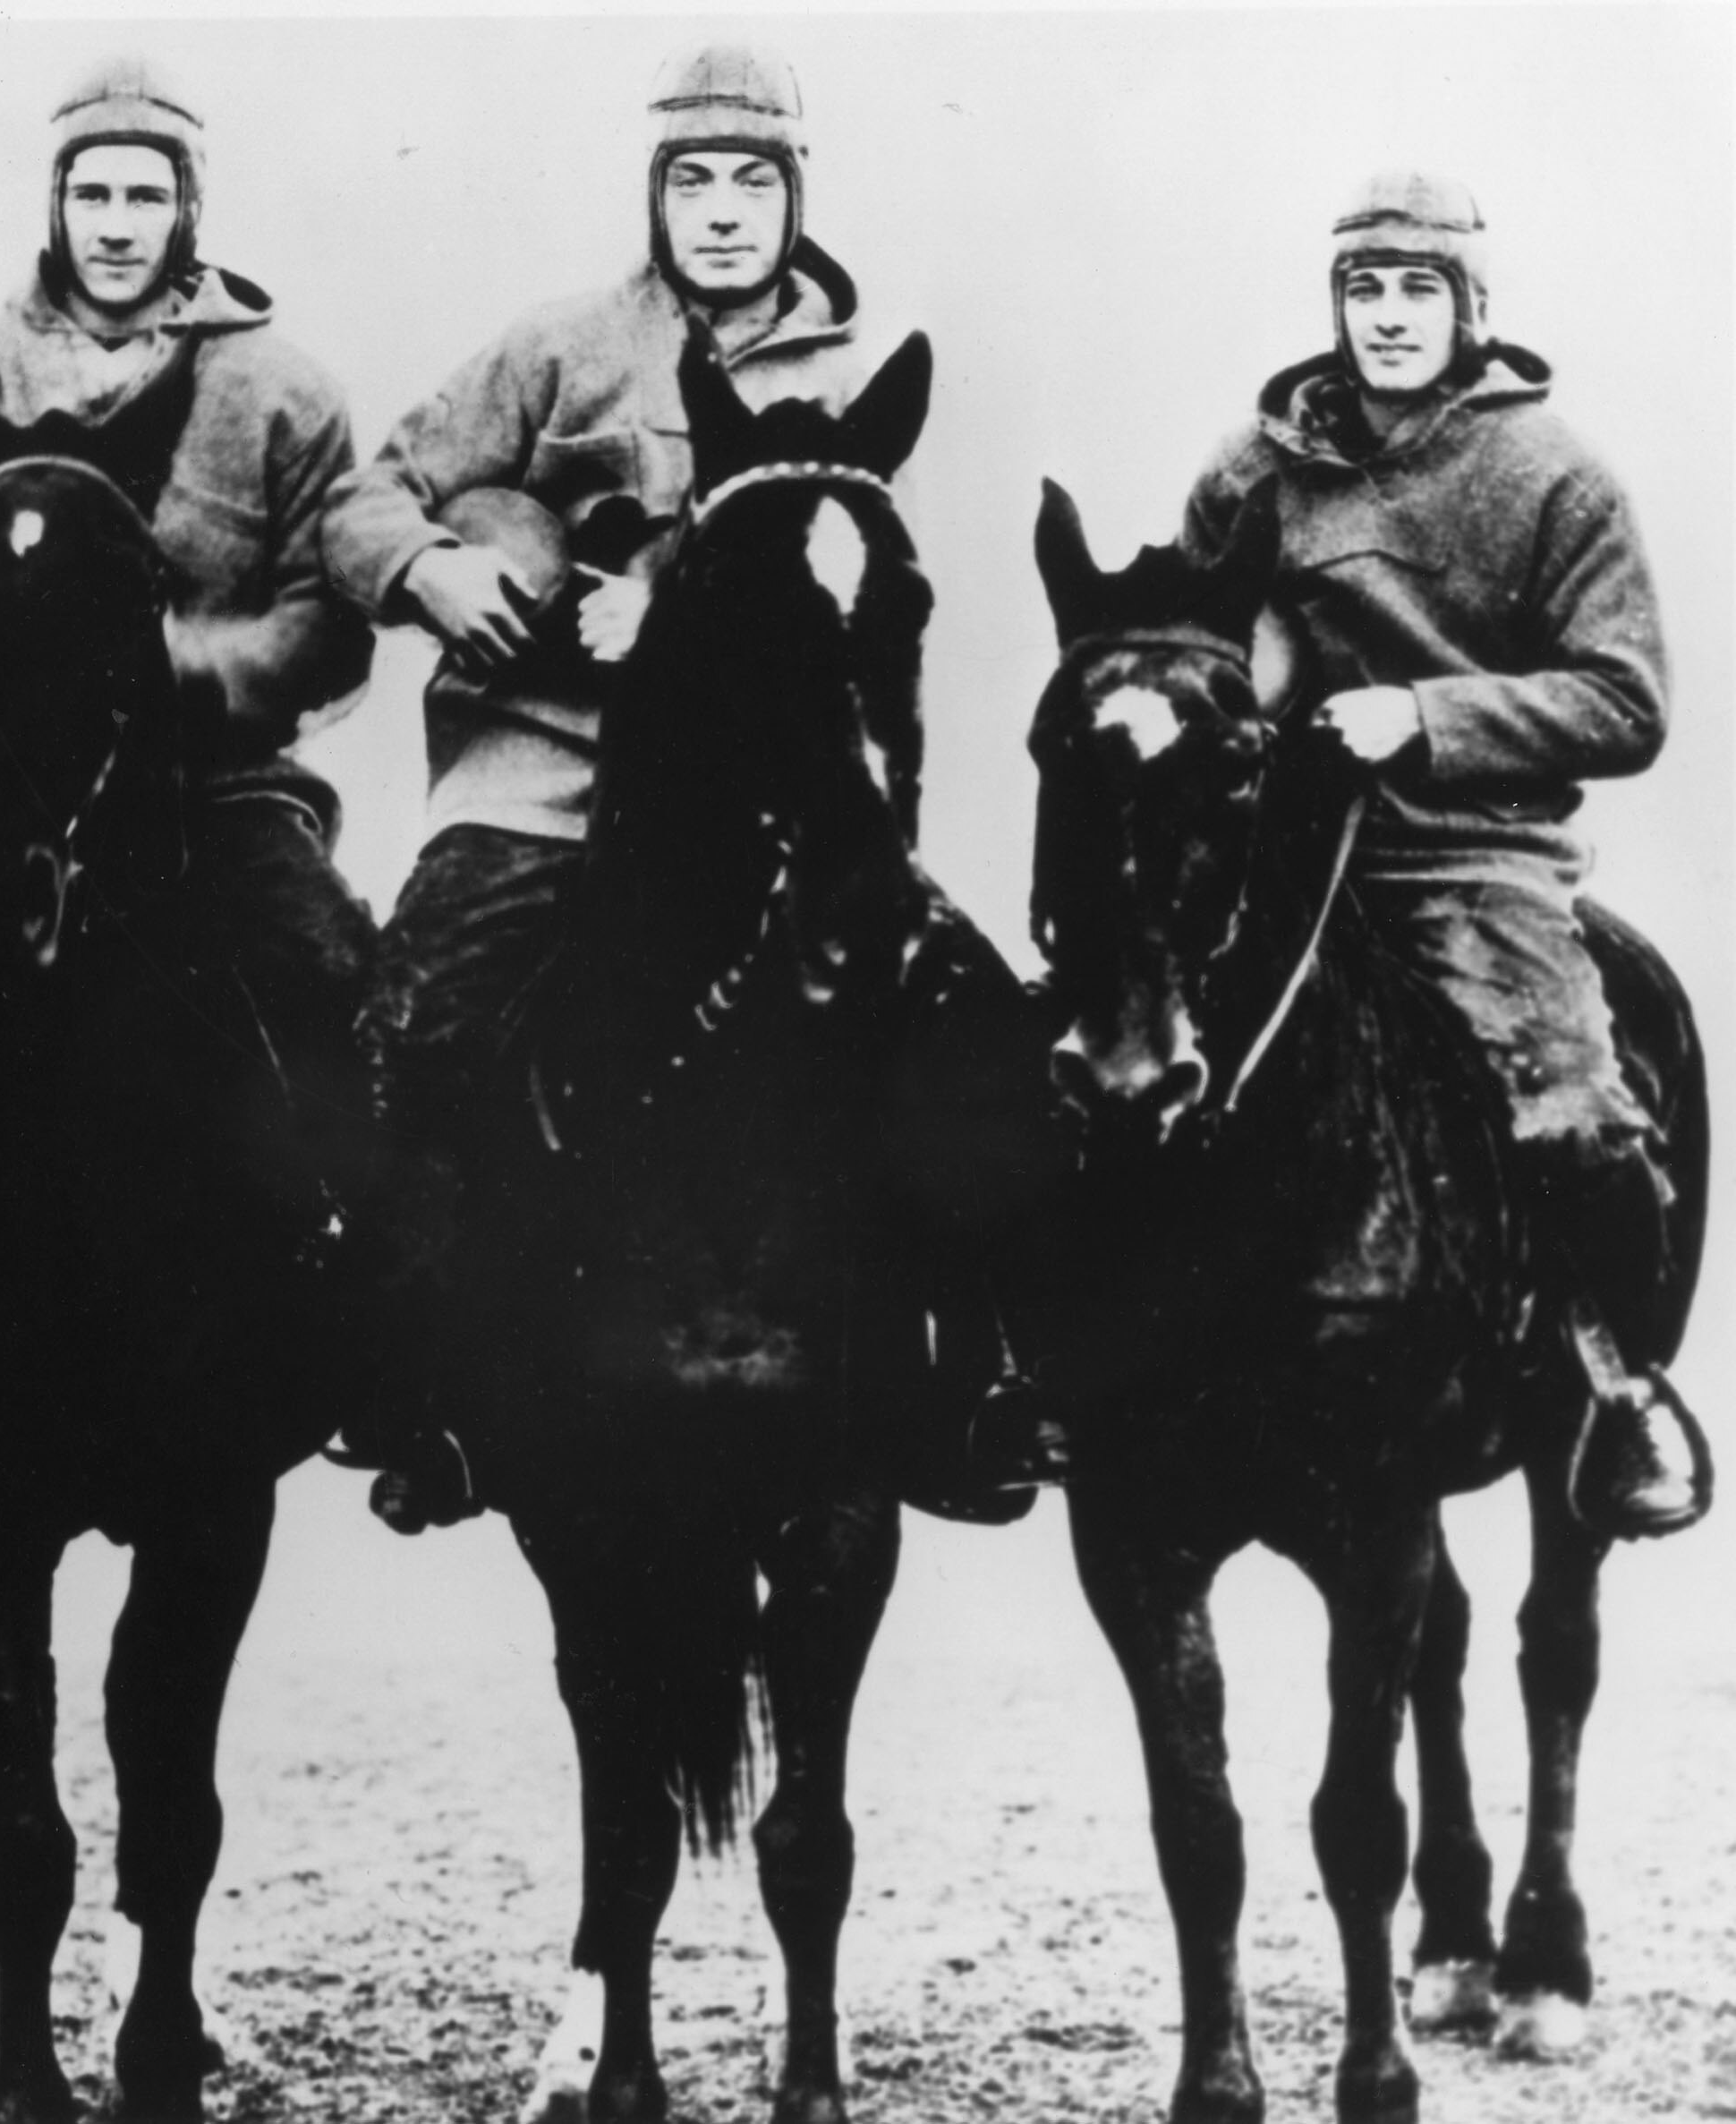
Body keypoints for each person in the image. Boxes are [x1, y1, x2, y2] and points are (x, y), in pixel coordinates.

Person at [321, 42, 1065, 1531]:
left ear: (797, 197)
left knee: (982, 1022)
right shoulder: (556, 347)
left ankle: (978, 1379)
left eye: (753, 182)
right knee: (418, 1016)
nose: (723, 212)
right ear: (656, 195)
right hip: (546, 770)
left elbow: (872, 604)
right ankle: (432, 1386)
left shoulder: (856, 383)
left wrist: (674, 603)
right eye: (694, 181)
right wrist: (434, 569)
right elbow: (366, 498)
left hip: (771, 798)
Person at [0, 55, 376, 1468]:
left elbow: (331, 616)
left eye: (144, 195)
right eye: (92, 193)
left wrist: (192, 671)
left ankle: (375, 1348)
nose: (115, 223)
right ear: (55, 202)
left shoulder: (282, 389)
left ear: (188, 208)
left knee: (342, 989)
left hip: (215, 785)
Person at [1179, 169, 1705, 1539]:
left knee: (1577, 1107)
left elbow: (1626, 699)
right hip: (1282, 851)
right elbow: (1191, 642)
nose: (1391, 316)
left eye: (1420, 288)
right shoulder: (1249, 471)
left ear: (1471, 306)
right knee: (1121, 1058)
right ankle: (1064, 1375)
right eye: (1365, 288)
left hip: (1474, 858)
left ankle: (1621, 1387)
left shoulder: (1554, 474)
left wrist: (1424, 717)